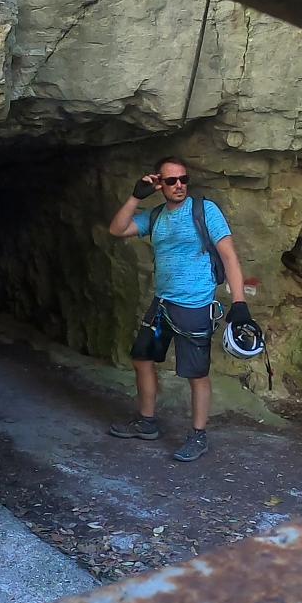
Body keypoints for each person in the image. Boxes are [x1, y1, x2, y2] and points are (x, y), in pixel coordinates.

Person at [106, 156, 252, 462]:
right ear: (159, 183)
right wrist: (136, 196)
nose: (179, 186)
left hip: (195, 306)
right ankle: (146, 423)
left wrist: (239, 303)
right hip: (162, 304)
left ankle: (198, 436)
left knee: (196, 373)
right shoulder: (156, 216)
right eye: (171, 181)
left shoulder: (204, 211)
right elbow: (117, 230)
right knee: (142, 358)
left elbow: (229, 256)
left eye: (183, 180)